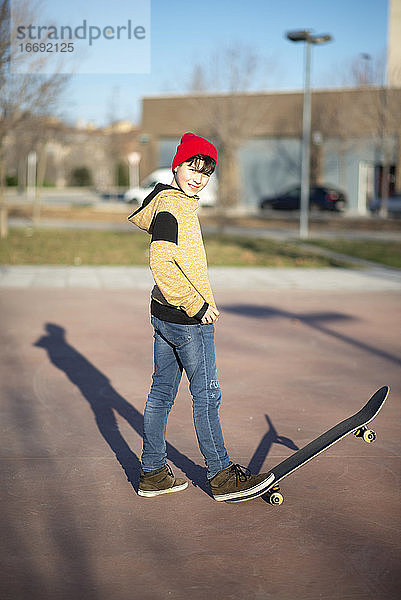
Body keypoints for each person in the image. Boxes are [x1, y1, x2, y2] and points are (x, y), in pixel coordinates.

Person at [128, 132, 274, 502]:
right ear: (176, 166)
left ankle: (152, 472)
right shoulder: (174, 208)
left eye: (206, 172)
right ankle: (222, 475)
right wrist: (197, 305)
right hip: (185, 319)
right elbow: (161, 264)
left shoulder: (173, 202)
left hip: (164, 314)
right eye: (192, 168)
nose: (198, 177)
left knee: (161, 394)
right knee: (206, 395)